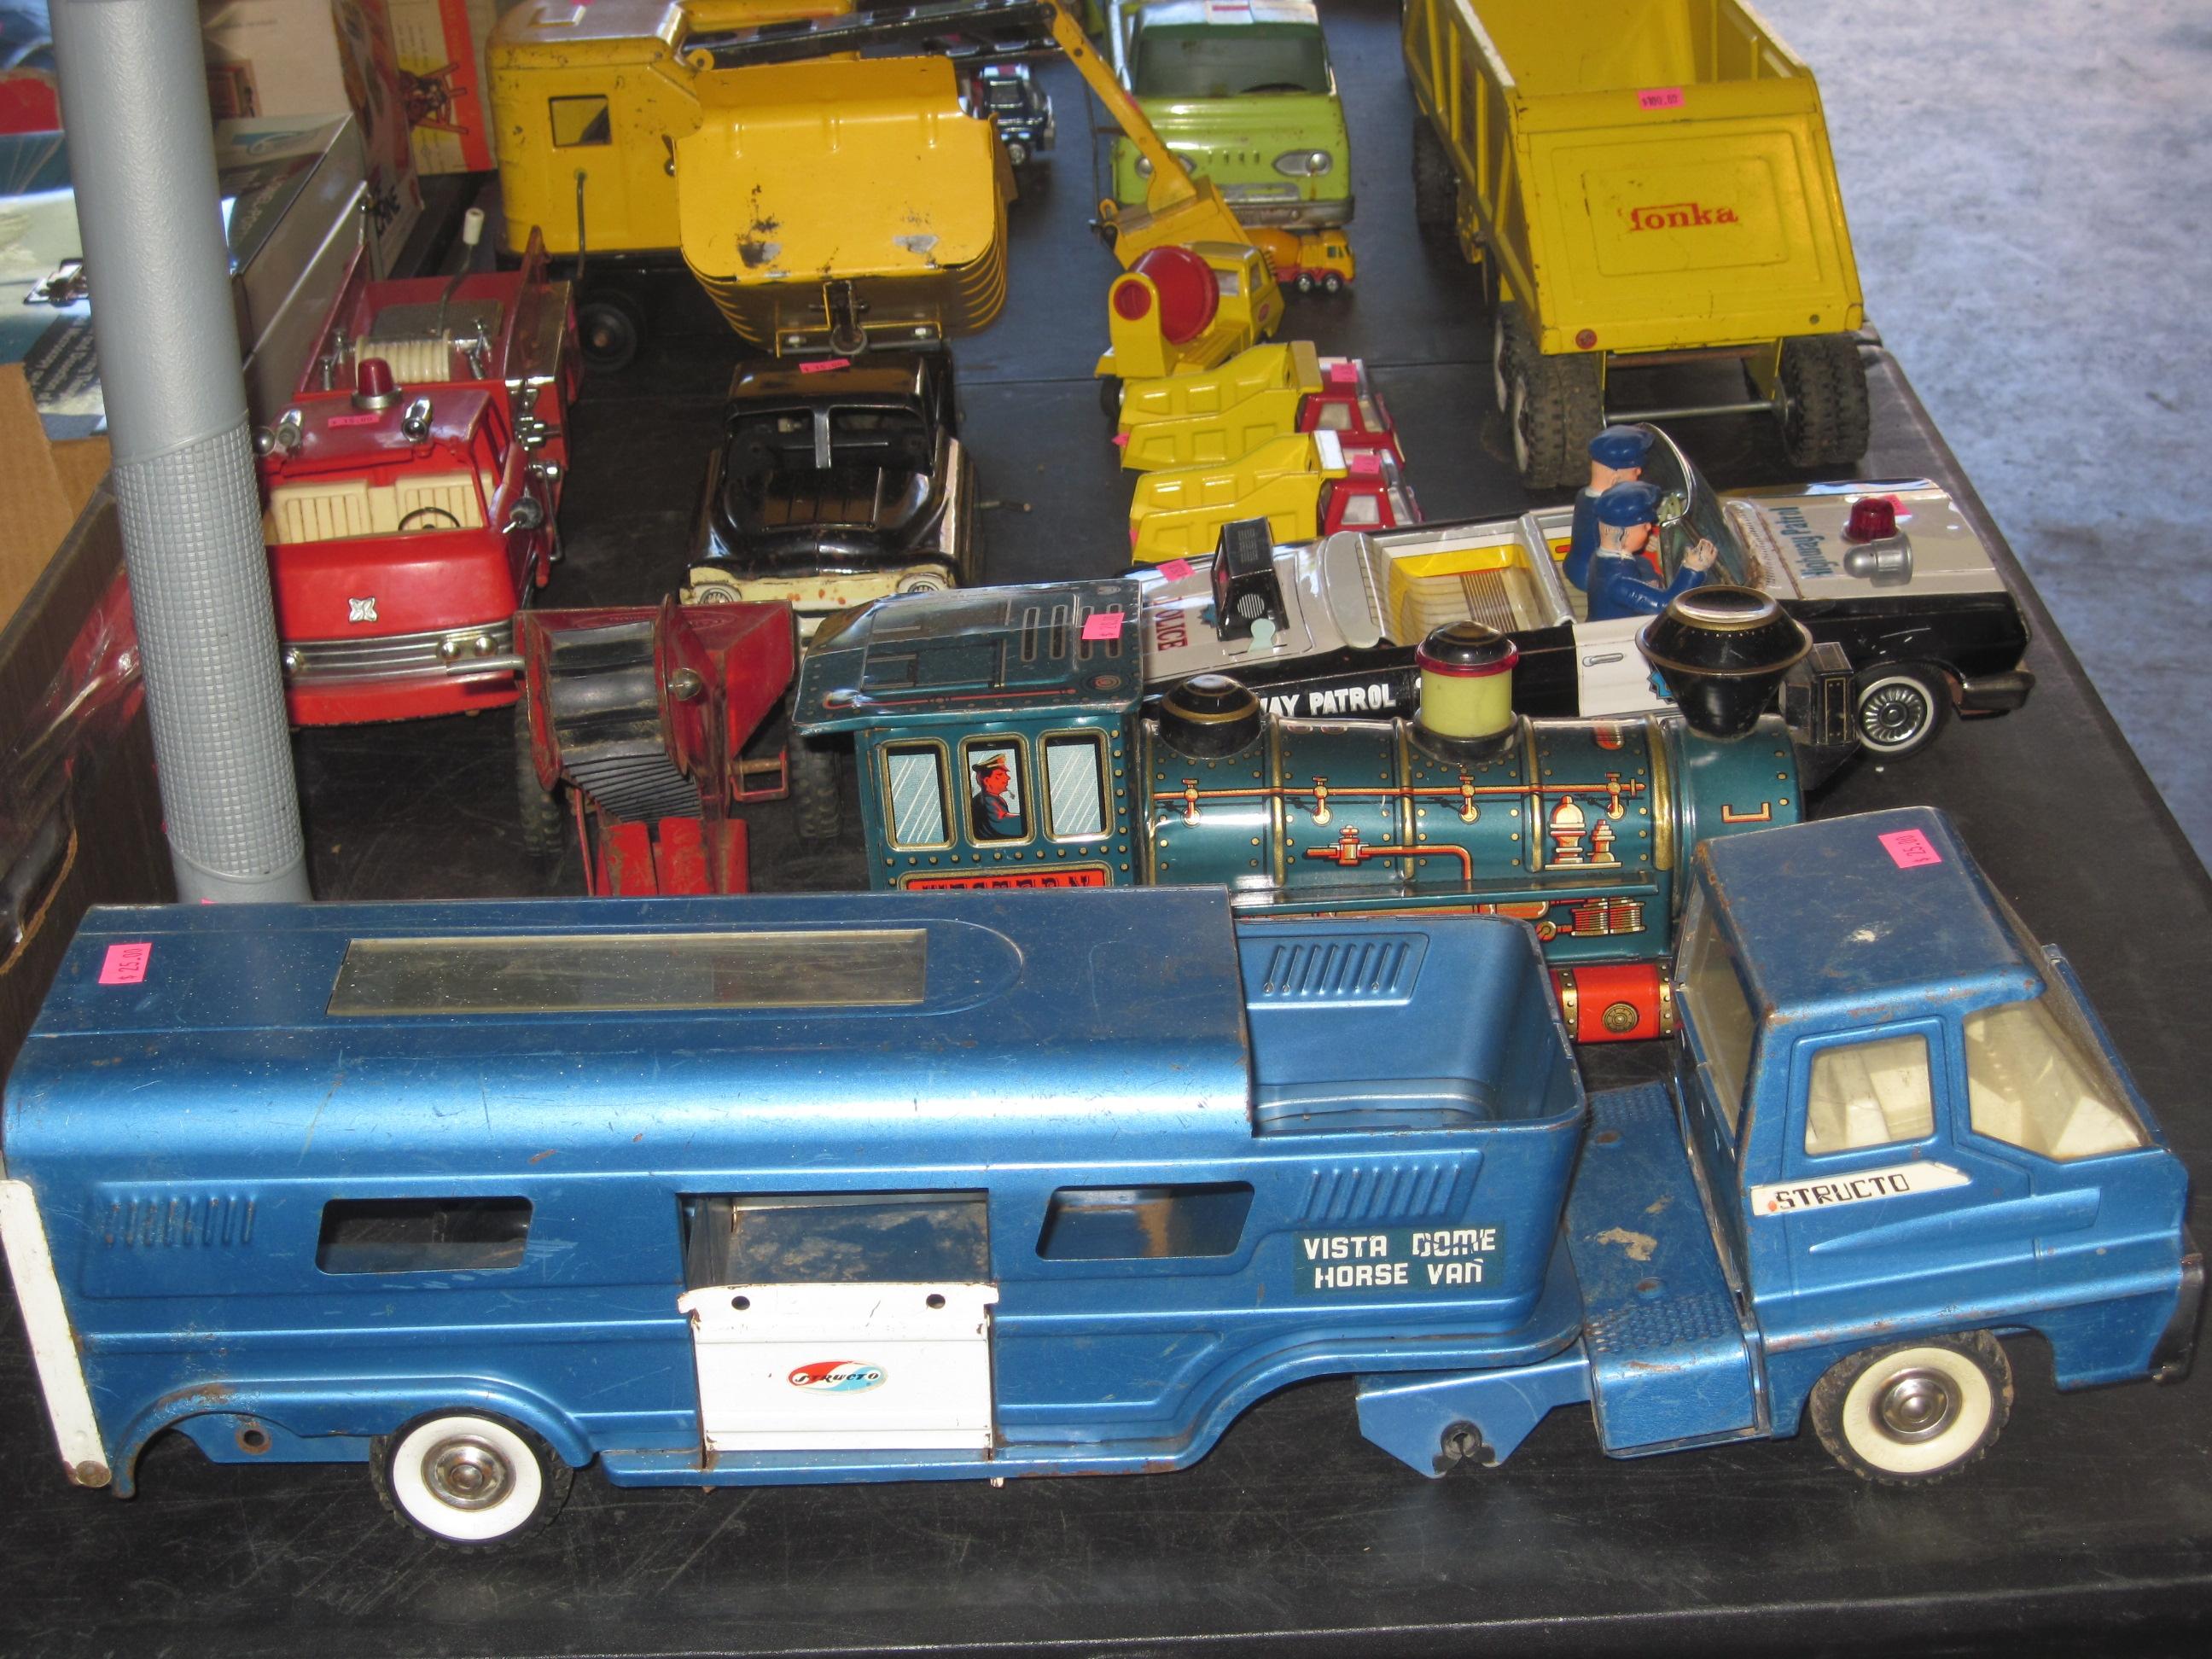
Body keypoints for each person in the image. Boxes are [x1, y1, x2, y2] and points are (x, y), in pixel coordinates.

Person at [1584, 480, 1718, 622]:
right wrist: (1693, 569)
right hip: (1622, 633)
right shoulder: (1620, 584)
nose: (1649, 528)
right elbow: (1665, 606)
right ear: (1623, 535)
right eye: (1644, 526)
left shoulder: (1602, 558)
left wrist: (1641, 542)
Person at [1563, 425, 1654, 591]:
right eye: (1634, 470)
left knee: (1644, 564)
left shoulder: (1584, 495)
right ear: (1615, 478)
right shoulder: (1608, 511)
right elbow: (1613, 549)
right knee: (1648, 572)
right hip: (1594, 577)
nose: (1639, 472)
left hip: (1577, 566)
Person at [969, 756, 1025, 840]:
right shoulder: (987, 801)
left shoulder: (991, 798)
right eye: (1000, 775)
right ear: (987, 781)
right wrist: (1029, 819)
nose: (1008, 778)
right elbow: (1003, 825)